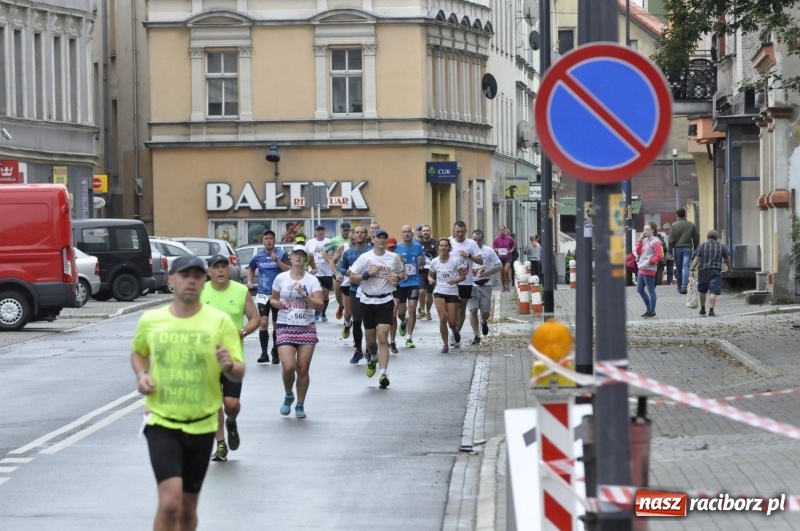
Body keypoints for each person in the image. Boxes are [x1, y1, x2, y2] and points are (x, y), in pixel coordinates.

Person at [131, 255, 245, 531]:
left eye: (197, 276)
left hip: (202, 424)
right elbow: (139, 352)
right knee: (170, 504)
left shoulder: (219, 322)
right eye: (184, 275)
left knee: (187, 508)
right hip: (162, 422)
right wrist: (142, 375)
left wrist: (229, 366)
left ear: (204, 281)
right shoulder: (151, 319)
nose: (191, 281)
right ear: (171, 280)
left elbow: (238, 371)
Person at [201, 254, 260, 462]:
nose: (220, 271)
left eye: (223, 267)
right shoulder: (200, 292)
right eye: (215, 267)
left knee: (231, 404)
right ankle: (220, 444)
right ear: (209, 271)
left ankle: (231, 421)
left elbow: (255, 319)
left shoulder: (240, 291)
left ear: (229, 270)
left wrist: (242, 332)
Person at [270, 245, 324, 418]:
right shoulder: (281, 278)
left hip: (306, 326)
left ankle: (300, 405)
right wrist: (276, 303)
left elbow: (319, 305)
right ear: (291, 257)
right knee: (288, 367)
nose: (298, 257)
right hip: (285, 325)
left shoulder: (312, 280)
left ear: (305, 259)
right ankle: (288, 395)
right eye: (295, 254)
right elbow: (273, 299)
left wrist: (304, 294)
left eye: (301, 255)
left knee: (302, 368)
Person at [348, 229, 407, 389]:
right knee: (371, 341)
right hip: (367, 301)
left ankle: (383, 373)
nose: (382, 240)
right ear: (372, 240)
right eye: (378, 237)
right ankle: (373, 358)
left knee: (382, 338)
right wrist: (366, 274)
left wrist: (397, 277)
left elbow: (402, 273)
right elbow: (352, 277)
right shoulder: (365, 257)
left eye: (384, 238)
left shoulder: (393, 257)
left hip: (386, 300)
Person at [247, 230, 290, 364]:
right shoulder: (258, 256)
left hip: (278, 294)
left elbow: (288, 270)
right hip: (262, 293)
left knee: (276, 325)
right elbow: (251, 269)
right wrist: (249, 281)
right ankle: (264, 353)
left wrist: (277, 261)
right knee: (264, 322)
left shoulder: (282, 254)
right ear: (263, 241)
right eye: (266, 238)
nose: (269, 241)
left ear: (274, 241)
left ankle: (275, 351)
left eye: (271, 238)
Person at [339, 225, 373, 364]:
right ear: (353, 235)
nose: (359, 234)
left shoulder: (371, 251)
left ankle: (369, 350)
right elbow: (342, 267)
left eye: (362, 232)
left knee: (369, 322)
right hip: (354, 289)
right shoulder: (348, 253)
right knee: (357, 320)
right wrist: (347, 272)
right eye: (357, 232)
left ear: (366, 235)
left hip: (370, 289)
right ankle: (358, 350)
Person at [428, 238, 468, 353]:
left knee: (452, 322)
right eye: (441, 245)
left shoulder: (455, 261)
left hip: (452, 292)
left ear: (449, 248)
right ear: (438, 248)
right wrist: (431, 280)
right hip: (439, 291)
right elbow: (430, 275)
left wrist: (454, 280)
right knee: (442, 318)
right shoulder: (434, 261)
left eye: (446, 245)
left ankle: (455, 331)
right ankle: (445, 344)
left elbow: (463, 276)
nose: (443, 248)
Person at [449, 221, 483, 347]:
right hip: (452, 281)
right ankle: (453, 329)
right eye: (457, 231)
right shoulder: (449, 243)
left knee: (461, 308)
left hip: (466, 281)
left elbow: (480, 260)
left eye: (462, 231)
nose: (460, 234)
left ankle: (456, 333)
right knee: (452, 309)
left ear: (466, 231)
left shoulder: (471, 243)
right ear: (453, 231)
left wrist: (468, 255)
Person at [393, 225, 426, 349]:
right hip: (401, 283)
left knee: (412, 308)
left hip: (413, 282)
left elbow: (423, 261)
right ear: (401, 234)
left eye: (408, 232)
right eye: (404, 232)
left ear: (412, 234)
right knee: (400, 312)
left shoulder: (418, 246)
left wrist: (421, 262)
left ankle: (409, 337)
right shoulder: (397, 247)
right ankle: (403, 321)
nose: (407, 234)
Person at [468, 230, 502, 345]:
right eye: (474, 240)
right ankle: (476, 335)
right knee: (473, 310)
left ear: (482, 239)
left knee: (485, 313)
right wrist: (469, 270)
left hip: (485, 284)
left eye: (479, 240)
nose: (476, 242)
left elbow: (499, 265)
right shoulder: (467, 251)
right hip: (471, 285)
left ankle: (483, 321)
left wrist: (488, 271)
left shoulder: (488, 250)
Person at [690, 230, 733, 317]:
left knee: (702, 290)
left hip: (703, 271)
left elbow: (696, 258)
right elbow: (727, 259)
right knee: (713, 291)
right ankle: (711, 310)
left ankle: (702, 309)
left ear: (707, 237)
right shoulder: (721, 246)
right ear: (716, 237)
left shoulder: (702, 245)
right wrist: (729, 269)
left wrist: (692, 269)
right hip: (715, 271)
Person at [635, 221, 664, 318]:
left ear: (652, 230)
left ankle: (652, 311)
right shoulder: (644, 240)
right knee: (639, 289)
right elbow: (638, 251)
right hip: (642, 267)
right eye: (644, 229)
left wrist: (650, 261)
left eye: (647, 229)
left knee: (651, 289)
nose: (645, 231)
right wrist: (640, 240)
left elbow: (659, 256)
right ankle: (648, 309)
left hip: (649, 268)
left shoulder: (656, 242)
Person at [669, 208, 700, 294]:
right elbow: (695, 238)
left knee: (678, 268)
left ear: (677, 215)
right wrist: (696, 249)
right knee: (686, 267)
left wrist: (670, 250)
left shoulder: (674, 225)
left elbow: (671, 240)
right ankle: (684, 286)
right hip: (688, 248)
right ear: (685, 214)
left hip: (677, 249)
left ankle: (679, 287)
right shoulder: (691, 225)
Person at [306, 225, 333, 321]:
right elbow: (306, 256)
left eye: (322, 230)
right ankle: (317, 312)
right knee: (315, 293)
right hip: (314, 272)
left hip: (327, 272)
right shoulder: (310, 243)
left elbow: (334, 256)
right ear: (315, 232)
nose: (320, 232)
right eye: (318, 230)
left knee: (325, 294)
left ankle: (323, 313)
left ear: (324, 231)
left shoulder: (330, 242)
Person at [325, 223, 350, 320]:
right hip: (338, 270)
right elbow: (323, 251)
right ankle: (341, 306)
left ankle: (348, 312)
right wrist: (331, 261)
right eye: (344, 230)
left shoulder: (353, 239)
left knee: (349, 293)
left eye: (348, 230)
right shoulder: (335, 240)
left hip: (350, 270)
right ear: (341, 230)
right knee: (338, 294)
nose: (346, 232)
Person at [416, 224, 437, 320]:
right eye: (423, 231)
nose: (425, 232)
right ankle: (422, 310)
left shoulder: (435, 243)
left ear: (430, 232)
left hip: (432, 272)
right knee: (421, 291)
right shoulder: (417, 244)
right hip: (421, 271)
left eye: (427, 230)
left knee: (429, 294)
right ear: (421, 232)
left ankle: (428, 311)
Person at [492, 225, 515, 291]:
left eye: (503, 229)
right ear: (499, 231)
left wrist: (511, 250)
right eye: (500, 230)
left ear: (505, 230)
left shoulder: (509, 238)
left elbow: (513, 245)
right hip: (500, 257)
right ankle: (503, 286)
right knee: (502, 273)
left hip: (508, 257)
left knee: (506, 271)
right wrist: (496, 249)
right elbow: (493, 248)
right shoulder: (496, 239)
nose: (502, 231)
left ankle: (507, 286)